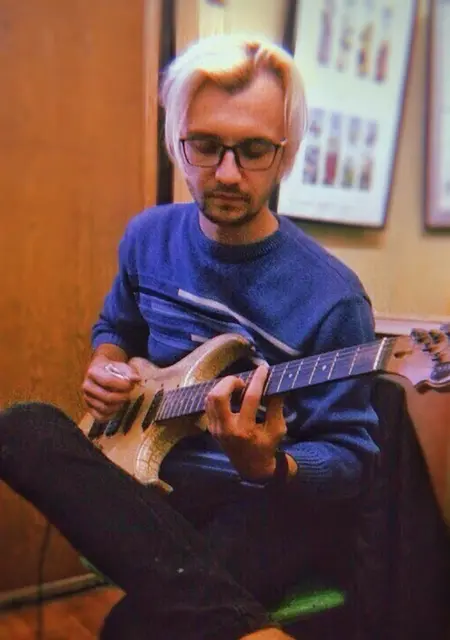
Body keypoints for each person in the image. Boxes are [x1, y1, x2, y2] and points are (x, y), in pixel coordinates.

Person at [0, 33, 379, 639]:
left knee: (133, 629)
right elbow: (116, 328)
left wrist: (268, 464)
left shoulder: (334, 297)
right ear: (177, 141)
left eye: (254, 149)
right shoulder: (147, 237)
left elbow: (351, 462)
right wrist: (106, 365)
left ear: (285, 153)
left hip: (264, 503)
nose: (228, 173)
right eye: (205, 145)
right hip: (150, 482)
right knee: (22, 427)